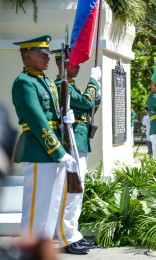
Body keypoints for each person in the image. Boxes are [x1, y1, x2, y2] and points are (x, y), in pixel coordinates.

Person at [11, 35, 77, 242]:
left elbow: (53, 117)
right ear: (27, 55)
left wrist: (67, 118)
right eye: (43, 54)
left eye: (48, 54)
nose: (48, 59)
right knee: (38, 208)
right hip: (39, 151)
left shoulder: (45, 81)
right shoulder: (24, 83)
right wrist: (59, 152)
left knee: (51, 205)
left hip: (53, 152)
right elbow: (38, 123)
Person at [53, 49, 101, 254]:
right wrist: (93, 82)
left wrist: (95, 96)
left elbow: (88, 107)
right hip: (70, 143)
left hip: (79, 142)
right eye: (75, 63)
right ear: (63, 64)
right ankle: (67, 237)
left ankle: (73, 233)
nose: (79, 66)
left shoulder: (72, 87)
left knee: (77, 192)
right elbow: (85, 102)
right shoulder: (61, 86)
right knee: (71, 191)